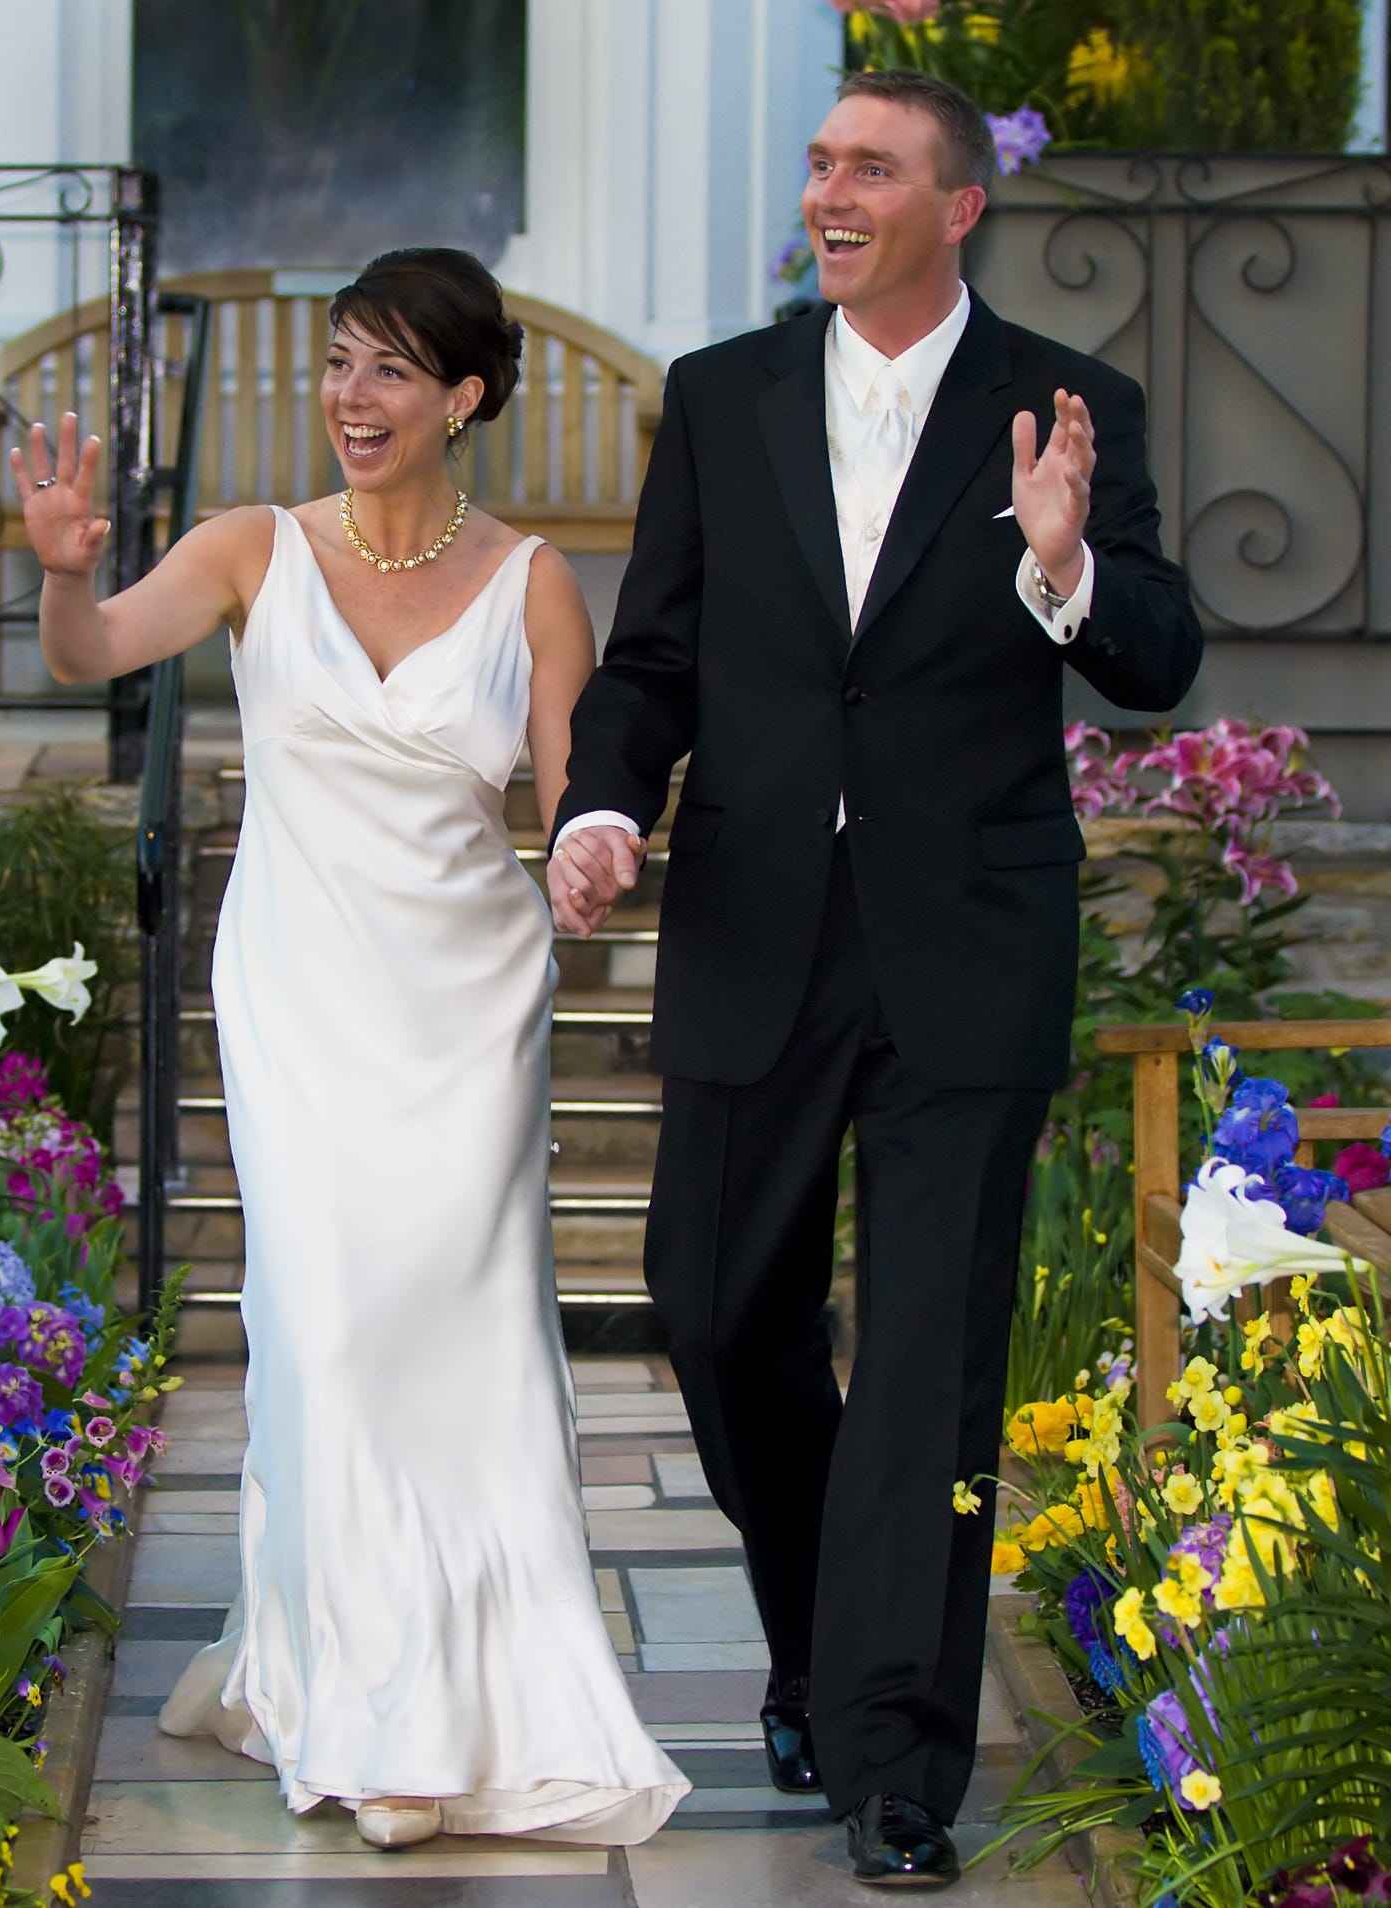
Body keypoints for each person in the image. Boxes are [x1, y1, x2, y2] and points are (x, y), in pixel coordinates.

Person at [547, 71, 1202, 1889]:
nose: (830, 190)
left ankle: (897, 1759)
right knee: (713, 1300)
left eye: (871, 167)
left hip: (964, 940)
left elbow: (1159, 657)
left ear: (959, 206)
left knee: (927, 1355)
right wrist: (602, 802)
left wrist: (1065, 568)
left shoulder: (1071, 408)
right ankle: (825, 1651)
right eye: (822, 162)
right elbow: (652, 658)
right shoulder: (721, 395)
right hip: (759, 922)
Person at [14, 248, 687, 1852]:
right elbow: (89, 652)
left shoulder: (533, 581)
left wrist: (595, 852)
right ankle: (365, 1703)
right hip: (303, 999)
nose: (350, 399)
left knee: (446, 1349)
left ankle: (466, 1700)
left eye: (388, 370)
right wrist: (57, 571)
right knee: (320, 1332)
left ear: (462, 395)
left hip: (466, 1009)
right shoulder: (254, 548)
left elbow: (573, 787)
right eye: (335, 364)